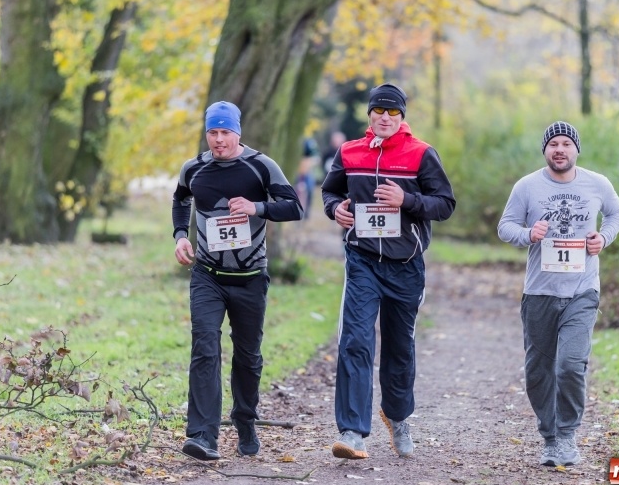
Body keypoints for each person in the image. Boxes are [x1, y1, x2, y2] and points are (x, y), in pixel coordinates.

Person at [321, 82, 456, 459]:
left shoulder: (421, 154)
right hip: (362, 260)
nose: (384, 117)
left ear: (402, 117)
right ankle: (352, 433)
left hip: (406, 265)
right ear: (369, 114)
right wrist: (337, 210)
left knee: (399, 348)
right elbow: (330, 193)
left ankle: (397, 417)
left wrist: (406, 199)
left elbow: (445, 204)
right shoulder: (349, 152)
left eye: (392, 112)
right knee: (356, 342)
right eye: (378, 111)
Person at [172, 101, 304, 461]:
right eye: (212, 132)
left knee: (248, 357)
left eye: (225, 132)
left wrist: (256, 207)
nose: (218, 140)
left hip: (249, 278)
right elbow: (180, 199)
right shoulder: (194, 168)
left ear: (238, 133)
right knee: (205, 347)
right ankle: (202, 436)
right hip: (207, 276)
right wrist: (180, 235)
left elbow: (294, 207)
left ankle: (245, 419)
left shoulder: (260, 166)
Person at [496, 121, 619, 467]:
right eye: (553, 143)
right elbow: (505, 226)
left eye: (566, 143)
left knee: (569, 365)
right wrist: (528, 234)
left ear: (576, 149)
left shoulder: (597, 183)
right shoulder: (527, 187)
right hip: (539, 291)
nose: (560, 149)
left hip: (582, 290)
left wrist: (603, 238)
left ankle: (566, 435)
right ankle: (549, 437)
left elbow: (616, 213)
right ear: (545, 150)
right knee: (538, 371)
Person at [295, 137, 319, 218]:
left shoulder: (311, 142)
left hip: (308, 170)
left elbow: (316, 157)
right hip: (299, 170)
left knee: (309, 191)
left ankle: (306, 213)